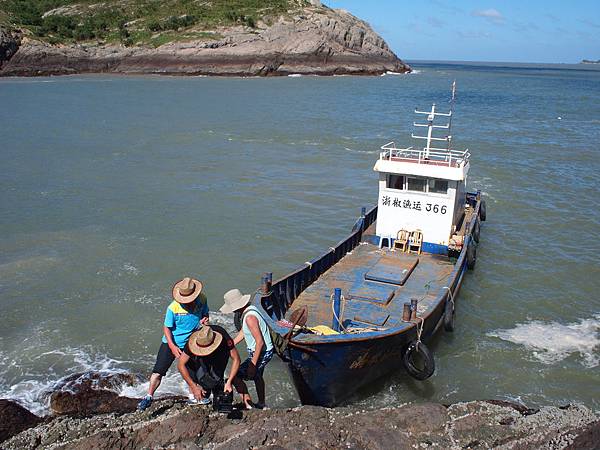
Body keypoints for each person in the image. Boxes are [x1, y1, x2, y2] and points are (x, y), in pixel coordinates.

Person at [138, 277, 209, 411]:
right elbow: (166, 328)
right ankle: (148, 396)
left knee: (192, 372)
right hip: (172, 343)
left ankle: (194, 397)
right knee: (158, 372)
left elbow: (205, 314)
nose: (187, 302)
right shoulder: (173, 307)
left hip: (191, 343)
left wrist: (205, 319)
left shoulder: (203, 299)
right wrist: (172, 346)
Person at [220, 288, 273, 409]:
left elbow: (259, 342)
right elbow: (245, 331)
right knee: (258, 376)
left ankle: (249, 405)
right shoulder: (251, 310)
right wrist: (231, 344)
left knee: (235, 377)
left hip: (261, 352)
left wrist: (252, 365)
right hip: (265, 350)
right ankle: (261, 403)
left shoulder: (249, 318)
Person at [177, 325, 241, 405]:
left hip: (219, 354)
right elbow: (180, 365)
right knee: (201, 376)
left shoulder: (224, 339)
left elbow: (236, 359)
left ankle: (217, 395)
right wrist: (193, 386)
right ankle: (203, 392)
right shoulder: (192, 342)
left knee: (217, 379)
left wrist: (229, 382)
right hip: (199, 359)